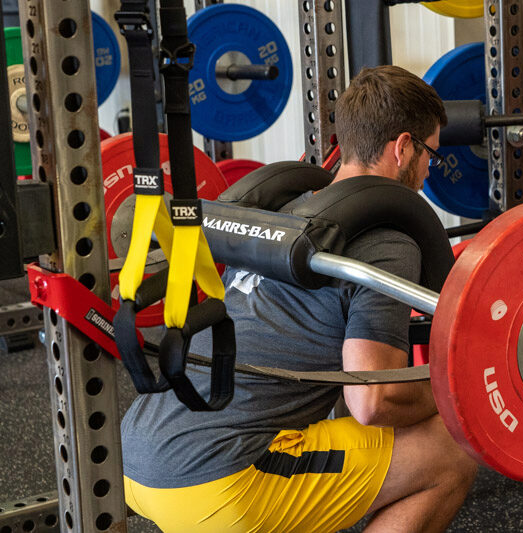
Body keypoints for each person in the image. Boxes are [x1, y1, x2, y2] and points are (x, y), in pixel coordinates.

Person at [120, 65, 478, 533]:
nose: (431, 167)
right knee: (453, 451)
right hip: (216, 485)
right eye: (430, 151)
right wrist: (458, 397)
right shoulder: (388, 242)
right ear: (403, 147)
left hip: (134, 457)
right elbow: (374, 401)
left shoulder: (281, 211)